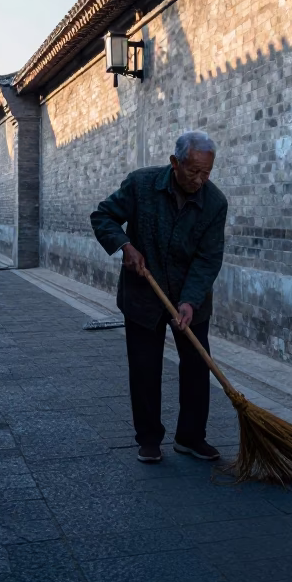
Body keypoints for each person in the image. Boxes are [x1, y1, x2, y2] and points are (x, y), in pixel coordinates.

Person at [90, 131, 228, 464]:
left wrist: (190, 301)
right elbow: (103, 217)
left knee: (197, 365)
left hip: (190, 298)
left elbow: (208, 258)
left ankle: (191, 437)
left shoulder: (215, 202)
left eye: (206, 173)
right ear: (175, 163)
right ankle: (149, 438)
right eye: (193, 171)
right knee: (144, 367)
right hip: (144, 294)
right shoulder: (141, 185)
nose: (199, 179)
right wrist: (125, 246)